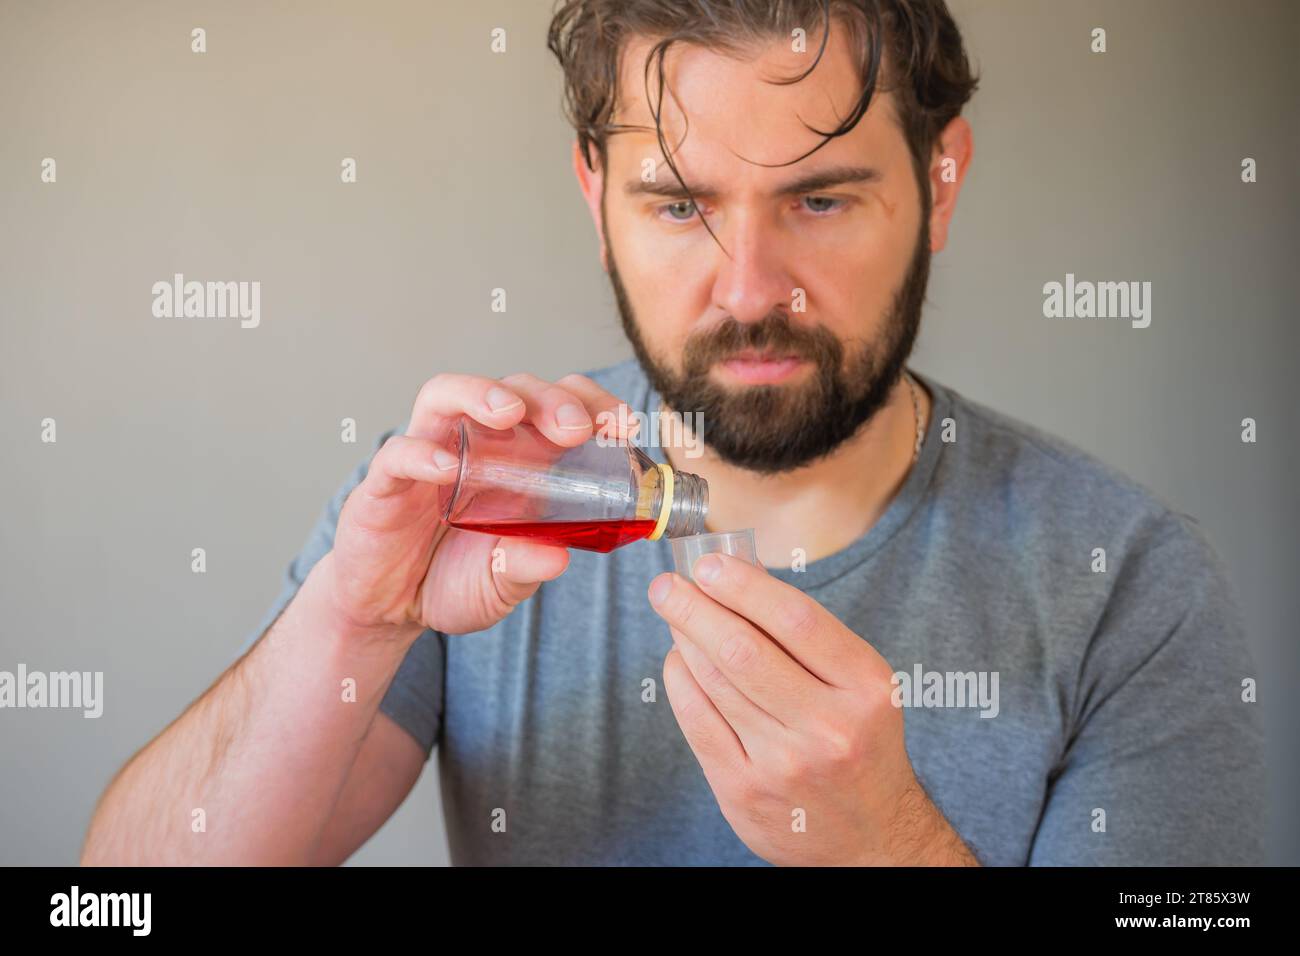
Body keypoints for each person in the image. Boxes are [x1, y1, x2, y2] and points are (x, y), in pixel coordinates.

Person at [80, 0, 1264, 866]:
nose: (749, 289)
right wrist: (358, 613)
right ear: (597, 199)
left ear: (939, 182)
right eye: (680, 204)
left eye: (820, 197)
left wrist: (883, 849)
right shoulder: (474, 504)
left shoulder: (1129, 585)